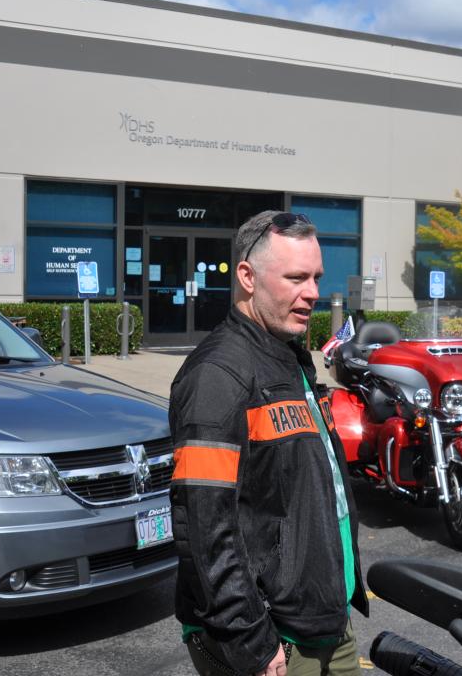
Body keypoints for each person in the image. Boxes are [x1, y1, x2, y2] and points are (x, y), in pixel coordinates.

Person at [170, 210, 368, 676]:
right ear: (247, 277)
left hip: (325, 617)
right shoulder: (218, 375)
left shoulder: (288, 356)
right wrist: (249, 639)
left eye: (316, 278)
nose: (313, 292)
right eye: (296, 278)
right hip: (272, 639)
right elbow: (204, 524)